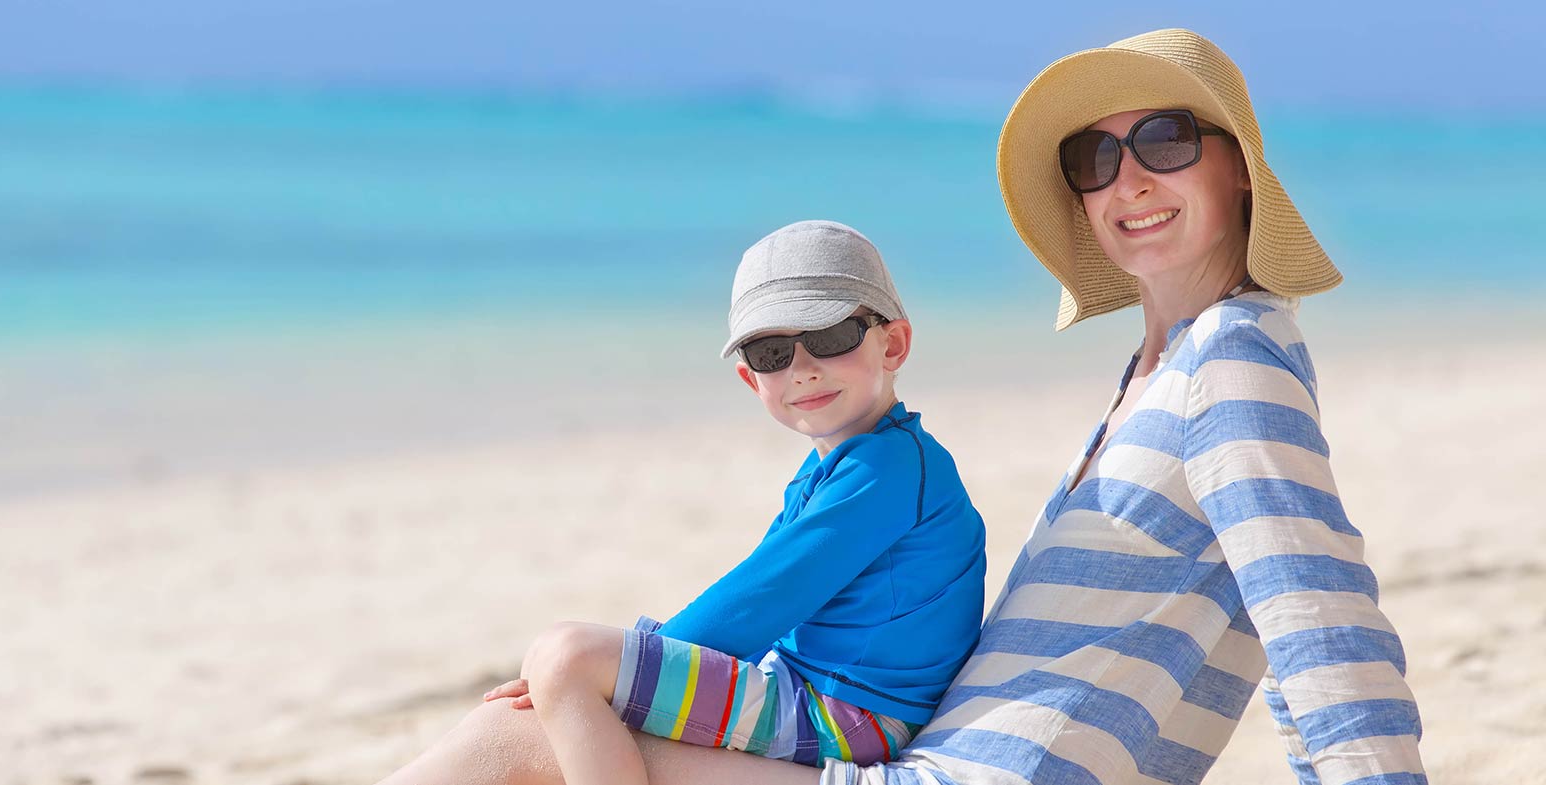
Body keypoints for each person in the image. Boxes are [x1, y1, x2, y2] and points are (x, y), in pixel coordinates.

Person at [376, 29, 1426, 785]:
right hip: (940, 756)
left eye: (1164, 139)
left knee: (513, 744)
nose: (1127, 179)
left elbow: (1316, 613)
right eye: (1094, 157)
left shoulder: (1232, 363)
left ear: (1240, 167)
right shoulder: (1162, 371)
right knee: (526, 736)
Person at [379, 220, 988, 785]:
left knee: (567, 655)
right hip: (819, 693)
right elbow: (761, 594)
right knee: (546, 686)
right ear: (752, 380)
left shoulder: (889, 467)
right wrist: (629, 667)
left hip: (853, 717)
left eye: (830, 336)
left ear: (894, 344)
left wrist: (624, 667)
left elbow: (762, 598)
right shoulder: (843, 463)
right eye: (772, 354)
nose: (802, 368)